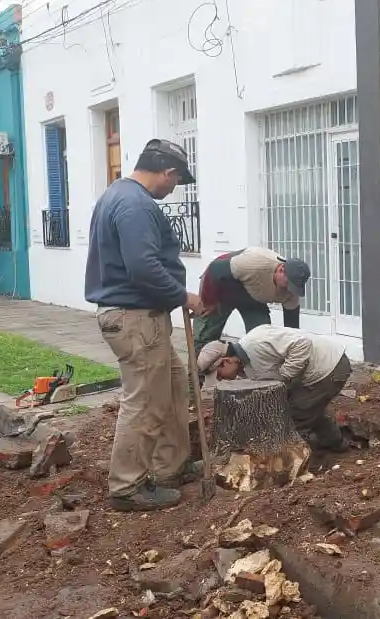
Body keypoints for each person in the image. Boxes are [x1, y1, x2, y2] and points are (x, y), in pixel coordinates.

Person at [86, 138, 206, 512]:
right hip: (135, 318)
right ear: (167, 172)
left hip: (142, 317)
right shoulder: (135, 205)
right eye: (176, 181)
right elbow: (142, 267)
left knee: (171, 388)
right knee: (145, 401)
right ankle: (127, 486)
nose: (174, 189)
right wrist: (181, 296)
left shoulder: (121, 196)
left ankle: (169, 466)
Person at [198, 325, 351, 453]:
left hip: (330, 366)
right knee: (307, 407)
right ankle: (335, 443)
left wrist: (284, 376)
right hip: (315, 370)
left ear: (226, 361)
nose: (221, 379)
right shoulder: (246, 365)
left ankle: (296, 464)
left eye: (219, 375)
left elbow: (303, 343)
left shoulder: (256, 344)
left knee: (295, 416)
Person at [193, 247, 311, 355]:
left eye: (293, 287)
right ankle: (198, 373)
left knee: (262, 339)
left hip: (253, 296)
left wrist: (292, 351)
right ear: (281, 269)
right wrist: (208, 302)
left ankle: (253, 370)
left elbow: (292, 329)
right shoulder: (255, 263)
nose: (288, 289)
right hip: (222, 284)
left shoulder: (292, 292)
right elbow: (215, 269)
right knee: (205, 333)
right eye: (287, 284)